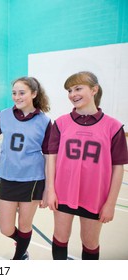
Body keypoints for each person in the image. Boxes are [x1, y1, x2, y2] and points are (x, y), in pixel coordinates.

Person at [47, 71, 128, 260]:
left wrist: (110, 203)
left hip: (95, 197)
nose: (72, 94)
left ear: (94, 90)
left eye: (78, 88)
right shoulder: (60, 123)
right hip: (63, 193)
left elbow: (118, 168)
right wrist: (51, 190)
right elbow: (52, 157)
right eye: (69, 90)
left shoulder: (113, 127)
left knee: (90, 242)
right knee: (60, 237)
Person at [0, 76, 51, 260]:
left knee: (24, 225)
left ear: (34, 94)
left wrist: (48, 188)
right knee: (6, 228)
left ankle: (19, 256)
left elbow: (49, 157)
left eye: (22, 93)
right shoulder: (4, 115)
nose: (17, 97)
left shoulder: (44, 122)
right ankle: (22, 242)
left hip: (32, 179)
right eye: (14, 93)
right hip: (8, 178)